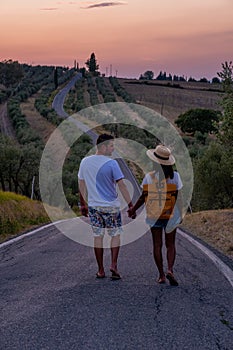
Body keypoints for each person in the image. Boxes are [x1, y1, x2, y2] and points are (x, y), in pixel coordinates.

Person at [78, 133, 134, 280]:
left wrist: (82, 204)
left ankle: (100, 270)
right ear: (103, 147)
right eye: (111, 146)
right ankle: (114, 265)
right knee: (115, 235)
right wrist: (131, 204)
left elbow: (81, 185)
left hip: (94, 206)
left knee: (98, 236)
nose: (112, 148)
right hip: (111, 207)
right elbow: (121, 185)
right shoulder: (112, 163)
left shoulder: (85, 162)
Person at [128, 144, 183, 286]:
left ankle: (161, 275)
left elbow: (142, 197)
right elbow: (179, 197)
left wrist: (133, 210)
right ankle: (170, 269)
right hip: (171, 215)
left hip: (154, 215)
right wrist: (180, 214)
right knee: (170, 245)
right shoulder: (175, 177)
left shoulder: (149, 177)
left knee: (157, 245)